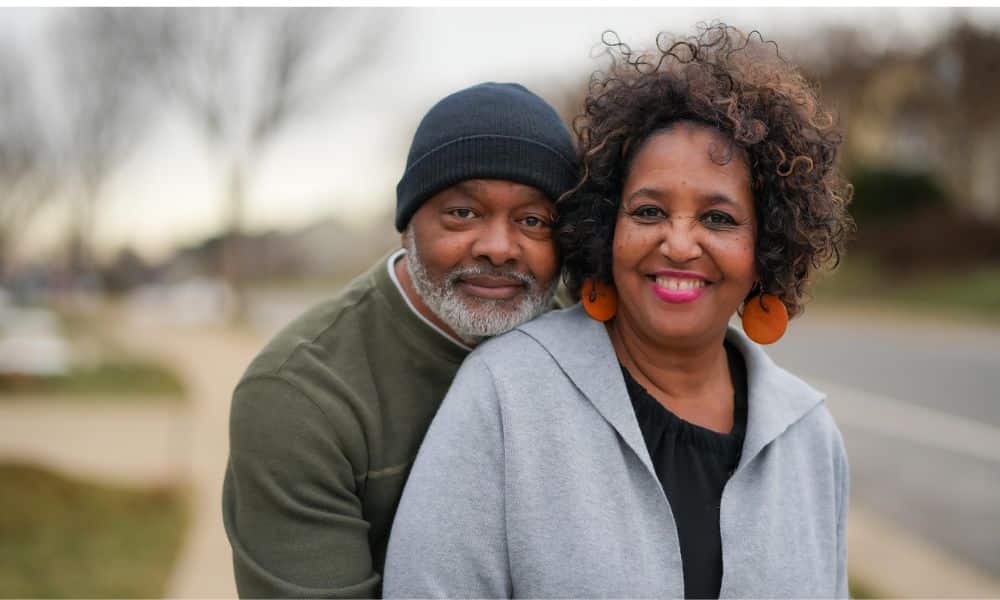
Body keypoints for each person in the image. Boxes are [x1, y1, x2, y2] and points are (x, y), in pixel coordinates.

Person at [384, 25, 854, 599]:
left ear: (767, 247)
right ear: (606, 230)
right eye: (649, 211)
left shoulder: (809, 435)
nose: (679, 245)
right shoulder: (505, 395)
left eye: (718, 219)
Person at [222, 82, 577, 598]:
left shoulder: (588, 344)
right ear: (408, 223)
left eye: (532, 221)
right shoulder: (299, 397)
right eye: (463, 213)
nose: (499, 248)